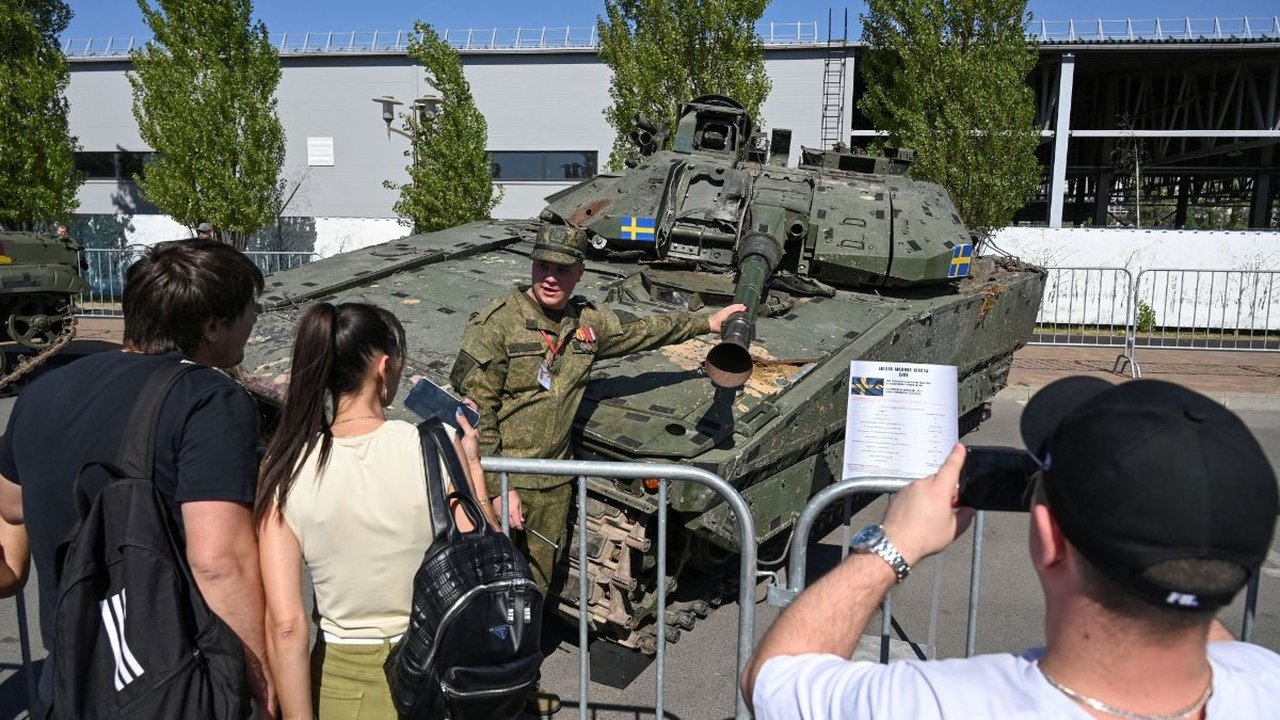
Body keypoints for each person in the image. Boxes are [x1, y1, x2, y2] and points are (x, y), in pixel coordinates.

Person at [743, 376, 1280, 719]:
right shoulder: (1264, 682)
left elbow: (774, 675)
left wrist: (893, 542)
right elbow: (1190, 596)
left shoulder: (937, 705)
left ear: (1049, 540)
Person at [450, 223, 746, 713]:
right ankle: (488, 694)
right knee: (498, 596)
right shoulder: (496, 324)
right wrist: (497, 490)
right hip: (507, 482)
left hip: (556, 485)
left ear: (579, 273)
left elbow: (639, 331)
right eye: (543, 267)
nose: (551, 278)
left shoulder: (584, 324)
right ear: (533, 266)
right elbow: (473, 416)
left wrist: (707, 325)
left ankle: (517, 685)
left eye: (562, 270)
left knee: (534, 595)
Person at [0, 238, 272, 716]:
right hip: (169, 686)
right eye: (250, 310)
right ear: (211, 326)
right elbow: (218, 561)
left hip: (70, 683)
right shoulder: (209, 399)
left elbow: (11, 506)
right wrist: (259, 683)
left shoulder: (41, 391)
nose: (253, 322)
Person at [257, 302, 497, 720]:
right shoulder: (435, 444)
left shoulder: (285, 466)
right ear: (385, 367)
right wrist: (472, 465)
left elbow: (287, 625)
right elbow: (485, 556)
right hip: (435, 674)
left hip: (339, 685)